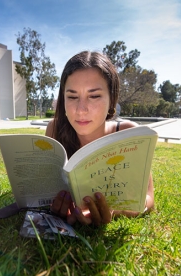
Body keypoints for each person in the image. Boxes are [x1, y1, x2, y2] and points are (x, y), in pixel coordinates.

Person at [45, 51, 155, 226]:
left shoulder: (127, 134)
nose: (81, 109)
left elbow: (148, 199)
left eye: (94, 96)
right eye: (72, 97)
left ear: (112, 99)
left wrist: (113, 210)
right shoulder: (55, 129)